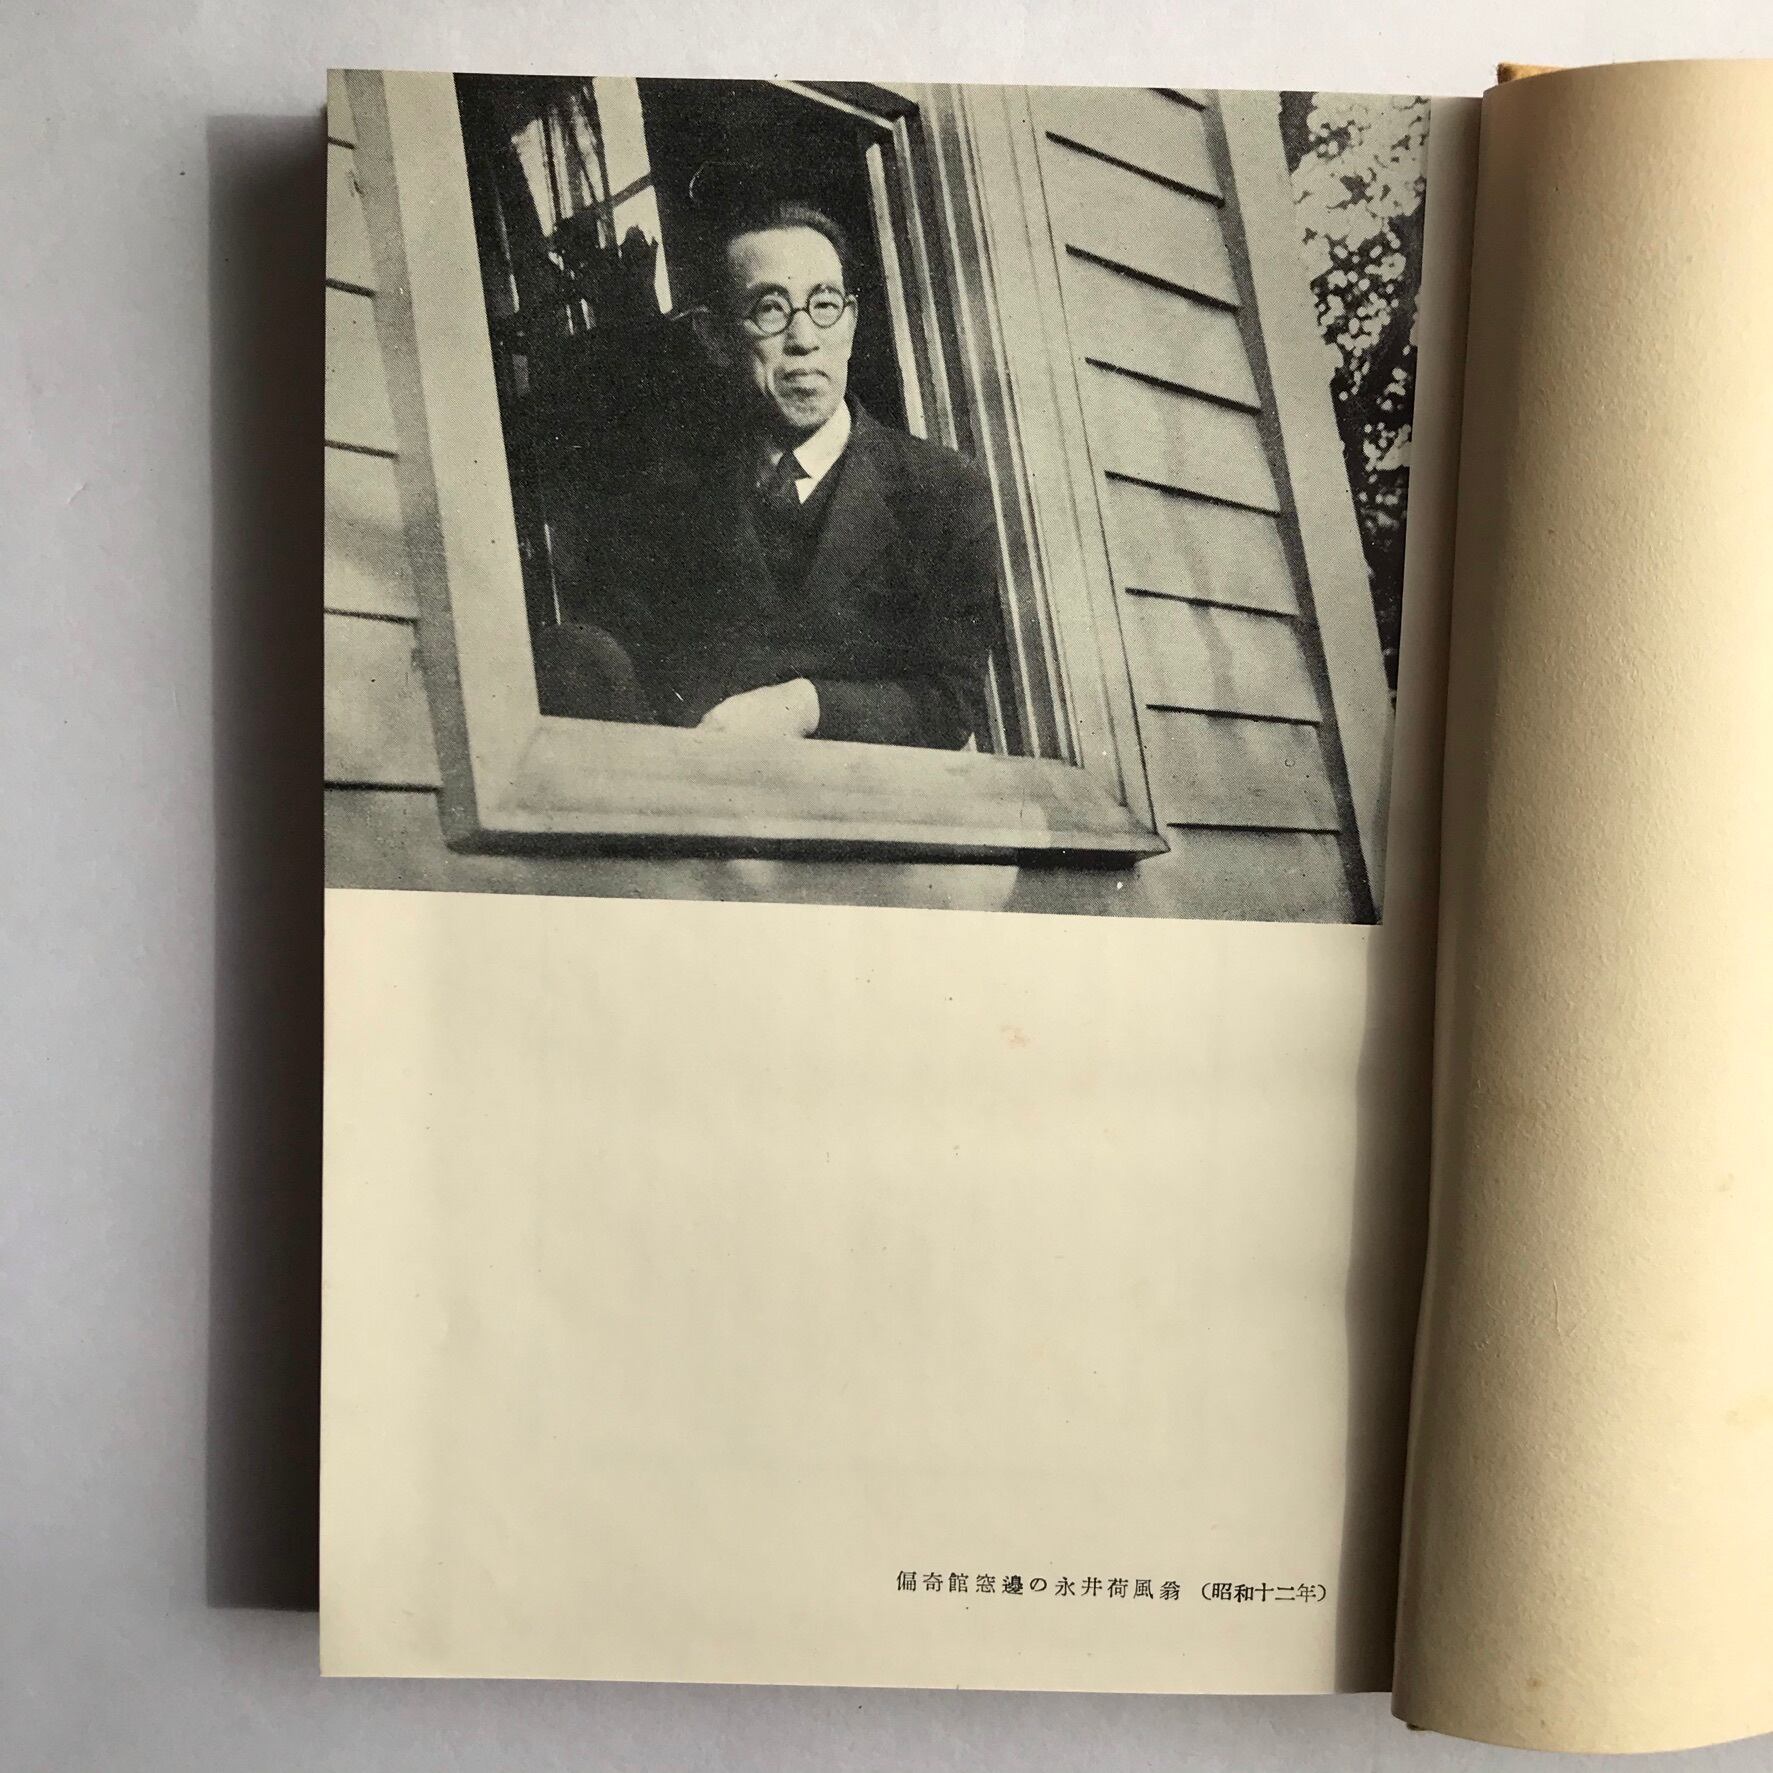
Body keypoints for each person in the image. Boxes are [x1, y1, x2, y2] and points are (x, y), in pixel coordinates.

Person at [597, 199, 1001, 750]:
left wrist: (807, 706)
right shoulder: (670, 503)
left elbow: (949, 705)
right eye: (770, 309)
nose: (804, 338)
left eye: (825, 305)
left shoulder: (942, 491)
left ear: (851, 323)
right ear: (715, 338)